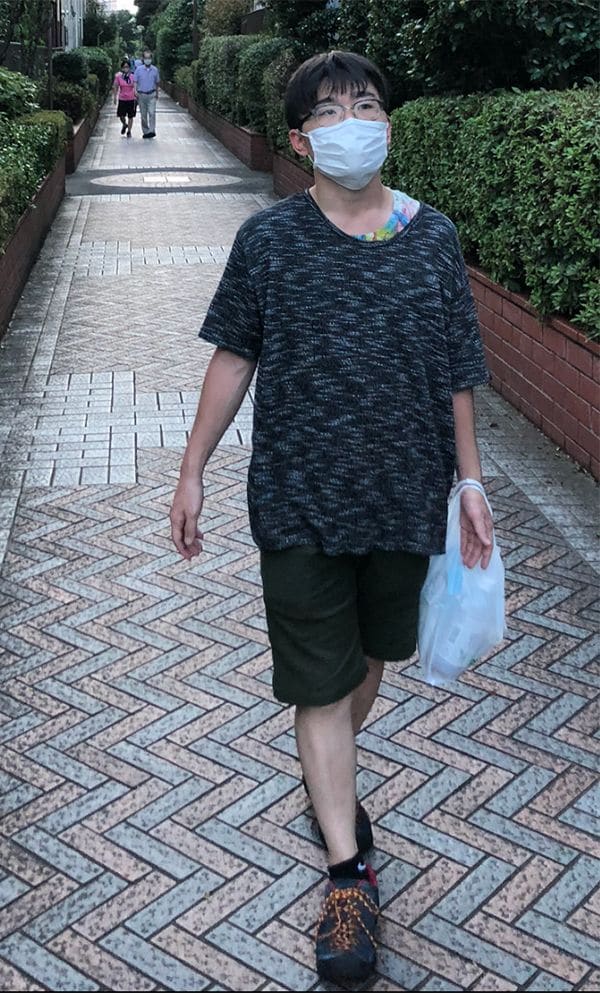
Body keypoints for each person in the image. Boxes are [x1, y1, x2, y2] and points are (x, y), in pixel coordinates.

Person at [170, 50, 493, 986]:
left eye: (367, 104)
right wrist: (190, 471)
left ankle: (328, 781)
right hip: (298, 499)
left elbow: (458, 370)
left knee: (369, 662)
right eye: (329, 110)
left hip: (405, 496)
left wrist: (471, 485)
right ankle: (348, 874)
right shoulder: (269, 240)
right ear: (300, 138)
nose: (352, 121)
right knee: (318, 685)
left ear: (387, 123)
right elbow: (234, 356)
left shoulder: (433, 237)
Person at [134, 49, 160, 138]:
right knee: (143, 115)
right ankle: (145, 131)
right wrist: (135, 91)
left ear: (151, 59)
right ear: (143, 59)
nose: (147, 60)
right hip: (141, 95)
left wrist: (157, 93)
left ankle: (152, 130)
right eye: (146, 58)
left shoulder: (155, 70)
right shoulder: (138, 70)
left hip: (152, 94)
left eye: (149, 58)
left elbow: (157, 82)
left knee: (152, 113)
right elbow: (135, 81)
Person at [112, 58, 136, 138]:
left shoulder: (133, 76)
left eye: (127, 67)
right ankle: (124, 124)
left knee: (130, 116)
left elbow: (135, 86)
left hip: (131, 98)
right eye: (124, 67)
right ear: (122, 68)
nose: (126, 68)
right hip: (122, 98)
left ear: (129, 68)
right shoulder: (118, 77)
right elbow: (115, 86)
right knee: (121, 115)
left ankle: (129, 131)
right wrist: (115, 97)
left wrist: (136, 94)